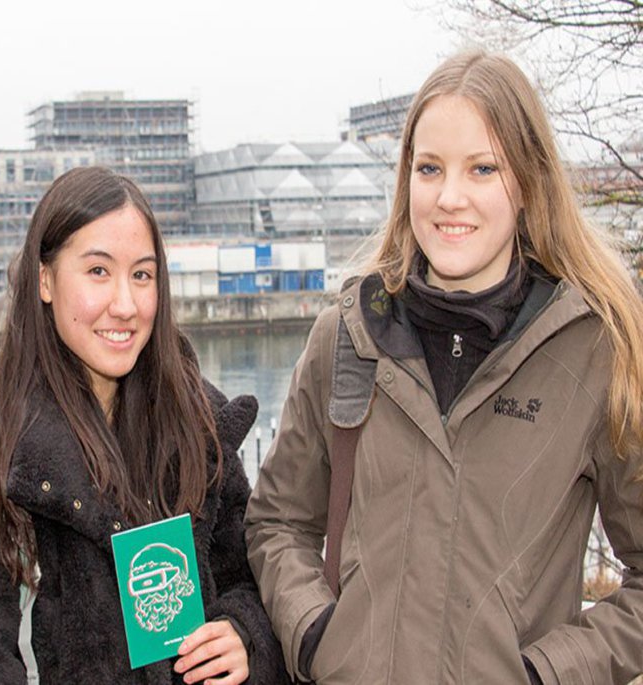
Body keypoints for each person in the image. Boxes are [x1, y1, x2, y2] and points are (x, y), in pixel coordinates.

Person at [245, 50, 643, 684]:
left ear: (529, 183)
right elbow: (277, 523)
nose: (449, 197)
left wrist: (549, 673)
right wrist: (317, 635)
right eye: (429, 168)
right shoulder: (346, 338)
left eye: (482, 168)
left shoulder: (595, 354)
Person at [0, 166, 290, 684]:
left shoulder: (200, 436)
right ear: (45, 279)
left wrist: (245, 635)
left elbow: (248, 577)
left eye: (142, 276)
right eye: (98, 271)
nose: (125, 305)